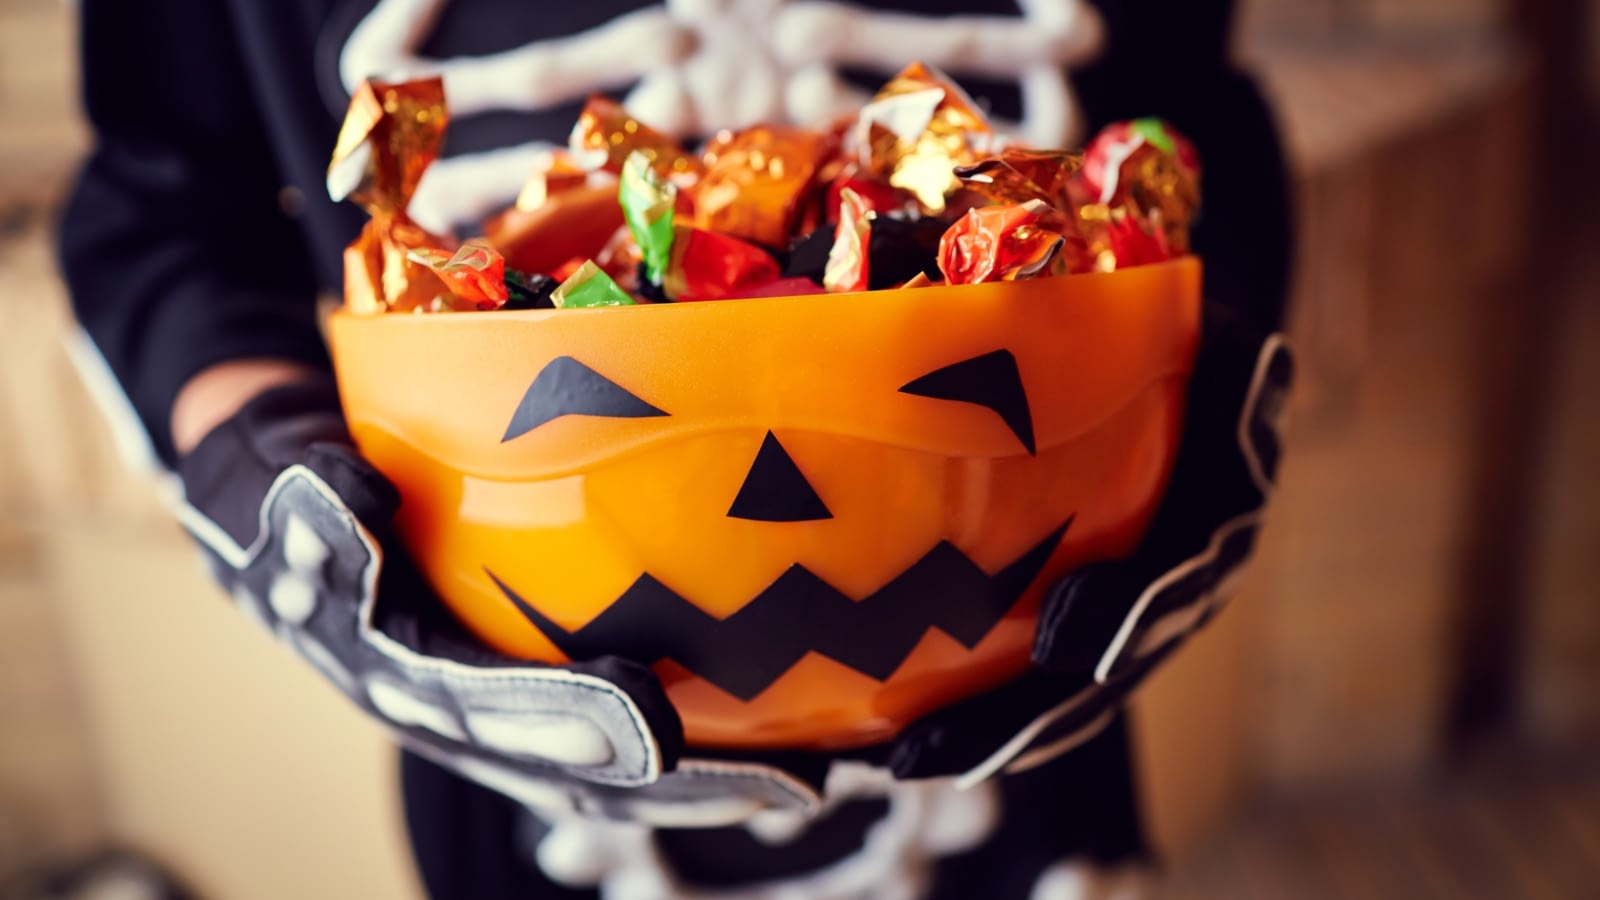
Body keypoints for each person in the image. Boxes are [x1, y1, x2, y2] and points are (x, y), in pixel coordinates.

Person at [59, 0, 1293, 896]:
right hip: (522, 778)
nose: (780, 499)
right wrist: (265, 480)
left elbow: (1197, 116)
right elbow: (165, 212)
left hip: (1029, 705)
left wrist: (1191, 404)